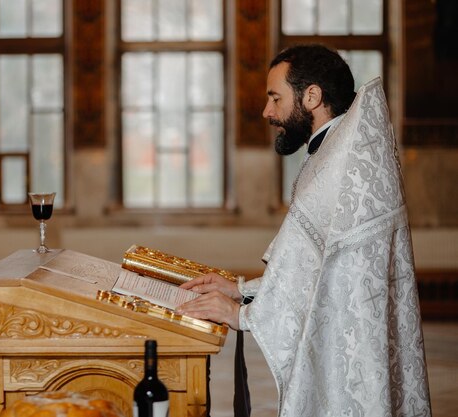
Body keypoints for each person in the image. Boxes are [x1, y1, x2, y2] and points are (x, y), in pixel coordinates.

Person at [177, 44, 432, 416]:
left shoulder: (338, 162)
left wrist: (239, 315)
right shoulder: (342, 151)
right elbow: (316, 272)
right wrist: (241, 290)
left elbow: (327, 283)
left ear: (311, 96)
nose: (267, 112)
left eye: (275, 98)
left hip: (349, 360)